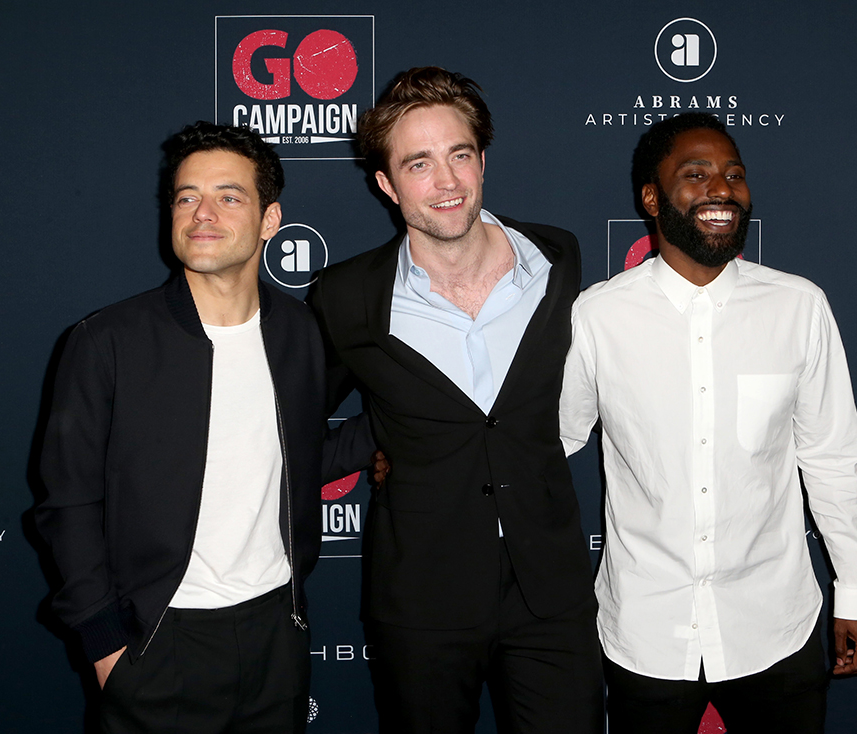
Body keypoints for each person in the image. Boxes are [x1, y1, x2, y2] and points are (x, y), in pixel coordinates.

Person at [36, 121, 375, 733]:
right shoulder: (107, 341)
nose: (202, 214)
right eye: (187, 196)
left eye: (229, 196)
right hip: (158, 639)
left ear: (271, 221)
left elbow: (294, 455)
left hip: (277, 630)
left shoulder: (298, 331)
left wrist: (400, 428)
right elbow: (69, 503)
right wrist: (108, 648)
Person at [559, 112, 857, 733]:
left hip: (774, 625)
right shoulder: (597, 318)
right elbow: (549, 438)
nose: (722, 189)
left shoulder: (798, 307)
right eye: (696, 174)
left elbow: (834, 457)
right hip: (646, 632)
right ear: (651, 198)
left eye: (734, 175)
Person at [309, 67, 603, 733]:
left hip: (550, 591)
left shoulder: (558, 260)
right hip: (421, 599)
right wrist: (382, 436)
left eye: (459, 155)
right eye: (418, 163)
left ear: (481, 160)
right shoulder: (347, 297)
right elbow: (291, 431)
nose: (445, 182)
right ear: (385, 183)